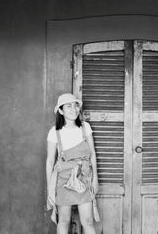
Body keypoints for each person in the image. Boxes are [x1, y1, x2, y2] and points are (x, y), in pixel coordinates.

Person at [46, 93, 99, 234]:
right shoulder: (54, 132)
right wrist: (50, 188)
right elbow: (50, 160)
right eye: (68, 106)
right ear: (61, 111)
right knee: (63, 221)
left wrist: (95, 180)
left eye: (76, 105)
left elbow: (92, 154)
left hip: (84, 175)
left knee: (87, 221)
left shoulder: (85, 127)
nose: (74, 109)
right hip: (63, 178)